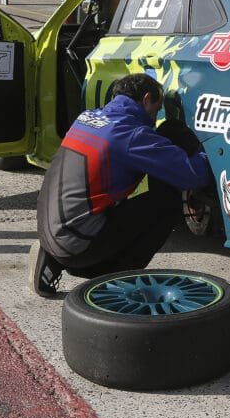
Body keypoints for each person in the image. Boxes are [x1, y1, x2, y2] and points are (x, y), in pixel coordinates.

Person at [29, 73, 212, 297]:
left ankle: (52, 258)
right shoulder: (129, 135)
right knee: (166, 202)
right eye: (155, 110)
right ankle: (114, 277)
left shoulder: (86, 118)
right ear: (146, 99)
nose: (154, 119)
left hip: (49, 228)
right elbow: (193, 176)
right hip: (77, 243)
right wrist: (207, 151)